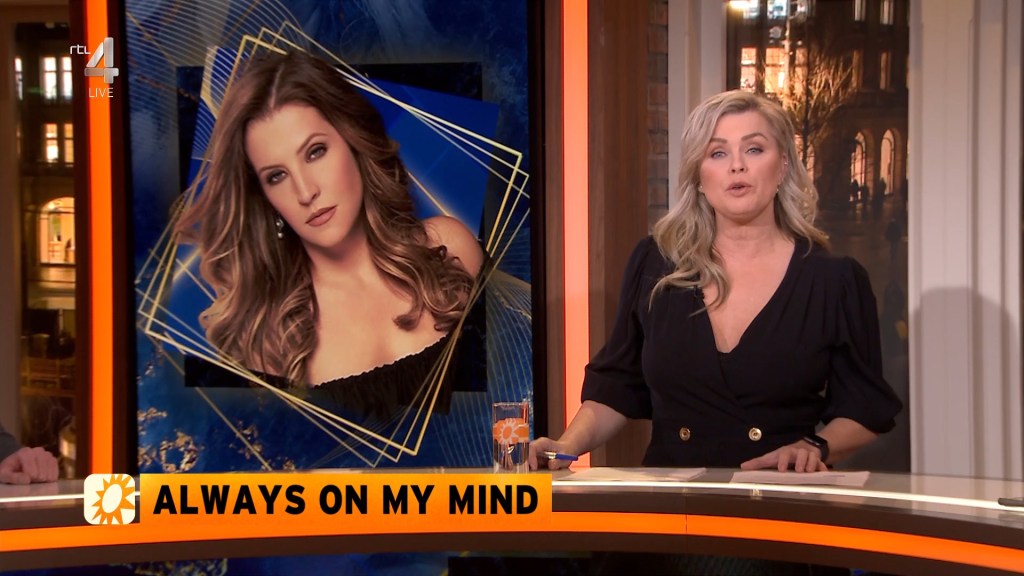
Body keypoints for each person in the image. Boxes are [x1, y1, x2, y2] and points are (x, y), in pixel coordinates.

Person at [531, 90, 902, 474]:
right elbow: (617, 386)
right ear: (699, 176)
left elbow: (865, 408)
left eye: (754, 149)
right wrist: (565, 447)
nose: (737, 166)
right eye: (718, 153)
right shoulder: (656, 264)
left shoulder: (833, 281)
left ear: (783, 166)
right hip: (673, 495)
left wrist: (814, 447)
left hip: (778, 492)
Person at [177, 51, 483, 406]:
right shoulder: (270, 342)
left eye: (315, 152)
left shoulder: (449, 248)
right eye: (276, 176)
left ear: (353, 142)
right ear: (265, 199)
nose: (305, 192)